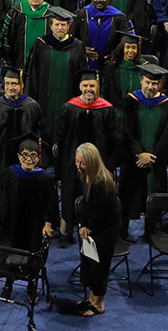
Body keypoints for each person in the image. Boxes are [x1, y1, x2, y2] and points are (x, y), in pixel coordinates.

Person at [57, 72, 116, 245]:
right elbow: (60, 136)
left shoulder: (106, 109)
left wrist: (108, 164)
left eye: (92, 86)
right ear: (80, 87)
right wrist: (63, 162)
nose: (89, 89)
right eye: (85, 86)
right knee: (69, 196)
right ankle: (64, 232)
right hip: (72, 161)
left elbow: (112, 139)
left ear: (98, 87)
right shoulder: (70, 107)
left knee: (94, 197)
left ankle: (92, 232)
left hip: (98, 163)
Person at [117, 64, 168, 229]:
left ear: (160, 85)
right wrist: (138, 154)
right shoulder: (130, 101)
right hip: (132, 160)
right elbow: (125, 130)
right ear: (141, 80)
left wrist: (152, 156)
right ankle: (123, 231)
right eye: (148, 82)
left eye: (155, 83)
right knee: (128, 196)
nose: (151, 86)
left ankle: (152, 231)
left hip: (155, 161)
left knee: (155, 196)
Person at [0, 133, 57, 261]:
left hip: (34, 229)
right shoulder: (9, 174)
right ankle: (8, 279)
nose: (28, 159)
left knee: (31, 257)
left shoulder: (45, 179)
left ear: (38, 158)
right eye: (25, 155)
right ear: (19, 157)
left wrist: (48, 223)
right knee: (6, 254)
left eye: (33, 155)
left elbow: (51, 205)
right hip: (11, 226)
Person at [25, 7, 86, 144]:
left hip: (69, 96)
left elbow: (82, 74)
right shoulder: (41, 43)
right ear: (51, 26)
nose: (60, 28)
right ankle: (45, 156)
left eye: (63, 25)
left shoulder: (77, 46)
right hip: (44, 96)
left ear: (68, 26)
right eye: (57, 24)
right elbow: (32, 72)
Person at [73, 142, 120, 317]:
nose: (78, 166)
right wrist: (83, 224)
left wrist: (89, 228)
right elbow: (86, 204)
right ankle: (92, 298)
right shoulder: (85, 175)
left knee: (99, 267)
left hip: (105, 230)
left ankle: (99, 304)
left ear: (91, 162)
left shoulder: (102, 181)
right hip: (93, 227)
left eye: (82, 163)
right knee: (90, 264)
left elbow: (100, 213)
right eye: (77, 162)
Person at [0, 69, 43, 185]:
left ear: (22, 84)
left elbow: (38, 134)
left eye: (14, 84)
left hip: (25, 160)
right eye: (7, 83)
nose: (10, 87)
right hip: (0, 158)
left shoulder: (32, 106)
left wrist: (36, 158)